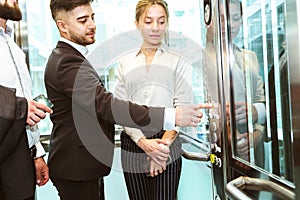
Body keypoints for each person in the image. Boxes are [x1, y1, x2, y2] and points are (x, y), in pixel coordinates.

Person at [45, 1, 211, 200]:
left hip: (92, 164)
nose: (91, 25)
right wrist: (165, 121)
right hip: (81, 164)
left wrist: (161, 147)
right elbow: (109, 105)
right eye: (83, 20)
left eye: (92, 17)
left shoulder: (75, 58)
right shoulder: (68, 61)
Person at [113, 0, 193, 199]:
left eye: (161, 21)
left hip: (168, 139)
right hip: (133, 141)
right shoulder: (125, 62)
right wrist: (142, 142)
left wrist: (160, 149)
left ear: (167, 23)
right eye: (148, 21)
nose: (155, 28)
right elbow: (120, 108)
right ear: (137, 23)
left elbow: (182, 108)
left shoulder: (178, 60)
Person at [0, 0, 53, 199]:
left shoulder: (14, 47)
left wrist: (36, 152)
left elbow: (26, 106)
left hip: (20, 156)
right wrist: (21, 107)